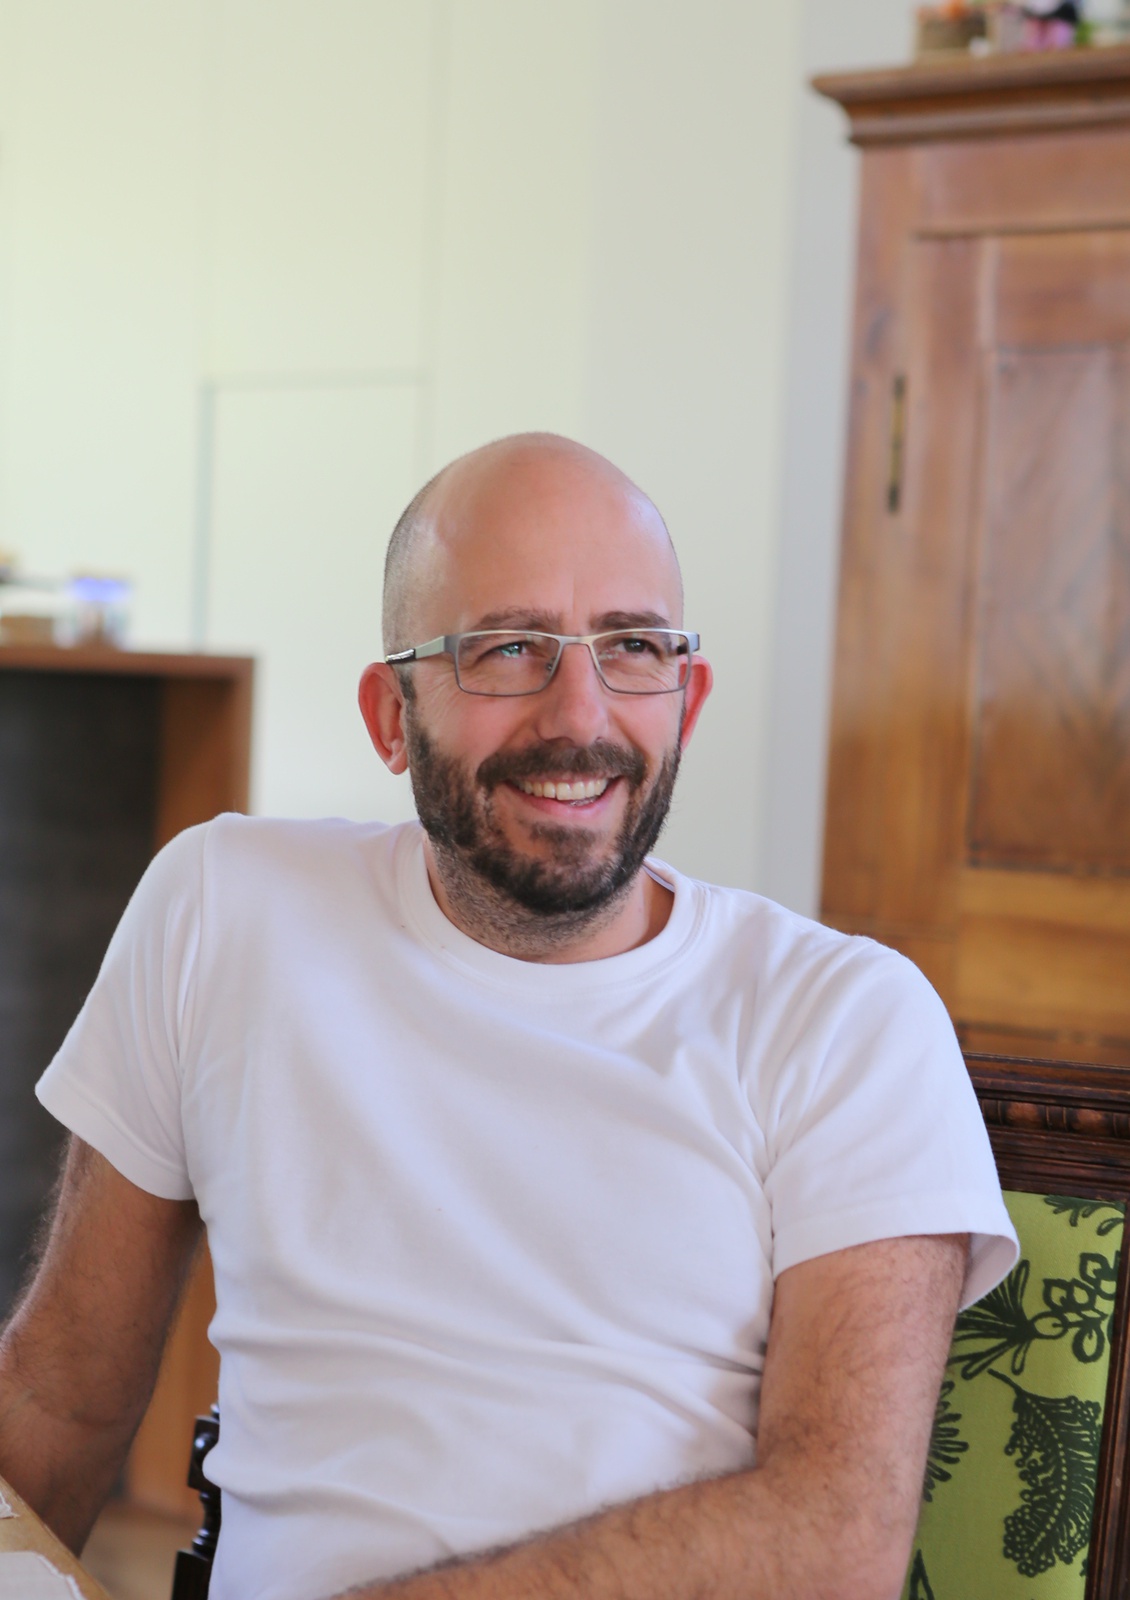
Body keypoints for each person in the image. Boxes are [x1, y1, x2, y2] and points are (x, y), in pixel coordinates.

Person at [0, 434, 1016, 1600]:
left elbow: (832, 1540)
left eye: (632, 647)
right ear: (391, 714)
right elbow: (59, 1397)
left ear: (685, 698)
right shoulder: (223, 907)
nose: (578, 715)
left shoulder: (844, 1019)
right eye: (507, 648)